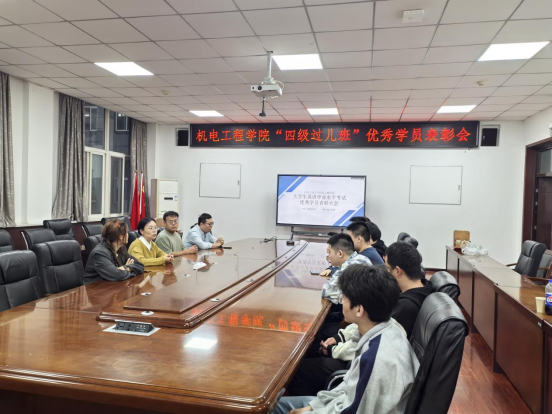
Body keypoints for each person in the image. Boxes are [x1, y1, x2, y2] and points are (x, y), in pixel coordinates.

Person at [274, 265, 419, 414]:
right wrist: (313, 406)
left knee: (270, 408)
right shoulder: (386, 327)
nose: (341, 301)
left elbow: (351, 410)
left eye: (344, 298)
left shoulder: (377, 359)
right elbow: (350, 385)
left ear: (359, 309)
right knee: (276, 405)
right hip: (343, 403)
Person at [84, 219, 144, 284]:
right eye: (126, 232)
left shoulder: (121, 249)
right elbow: (117, 275)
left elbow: (140, 266)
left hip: (112, 285)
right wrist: (129, 269)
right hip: (95, 287)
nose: (128, 235)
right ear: (120, 236)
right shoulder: (100, 253)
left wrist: (125, 267)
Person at [321, 233, 372, 304]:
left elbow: (326, 292)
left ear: (340, 253)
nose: (328, 256)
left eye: (329, 252)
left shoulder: (351, 266)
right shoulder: (361, 258)